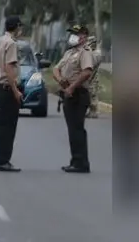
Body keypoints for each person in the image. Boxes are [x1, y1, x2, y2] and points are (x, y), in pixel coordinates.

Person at [53, 24, 95, 173]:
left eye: (76, 34)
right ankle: (75, 160)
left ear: (84, 36)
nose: (73, 36)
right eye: (71, 33)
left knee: (77, 129)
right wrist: (61, 81)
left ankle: (81, 163)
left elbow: (86, 72)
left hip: (78, 94)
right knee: (72, 129)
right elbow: (56, 69)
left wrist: (72, 87)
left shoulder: (85, 52)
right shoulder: (69, 53)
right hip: (68, 93)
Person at [0, 16, 24, 172]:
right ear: (17, 27)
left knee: (1, 126)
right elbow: (9, 68)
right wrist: (16, 90)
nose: (21, 31)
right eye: (20, 27)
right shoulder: (11, 43)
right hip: (7, 88)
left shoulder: (0, 41)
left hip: (0, 86)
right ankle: (4, 160)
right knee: (8, 127)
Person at [85, 36, 102, 118]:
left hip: (93, 78)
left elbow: (93, 63)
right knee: (89, 94)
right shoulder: (90, 52)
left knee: (93, 95)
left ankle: (94, 112)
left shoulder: (97, 53)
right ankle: (91, 111)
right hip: (89, 77)